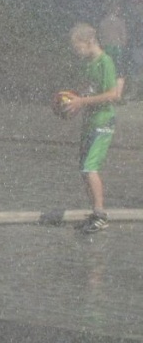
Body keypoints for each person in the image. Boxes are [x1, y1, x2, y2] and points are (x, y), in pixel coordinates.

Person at [65, 23, 118, 234]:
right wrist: (72, 102)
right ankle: (94, 213)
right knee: (83, 168)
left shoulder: (105, 62)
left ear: (89, 41)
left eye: (78, 47)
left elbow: (113, 94)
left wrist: (82, 102)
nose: (76, 51)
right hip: (90, 122)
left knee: (90, 167)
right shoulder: (88, 63)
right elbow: (87, 92)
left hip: (103, 122)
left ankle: (100, 215)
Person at [98, 0, 128, 102]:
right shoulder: (120, 22)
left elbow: (101, 36)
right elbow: (124, 36)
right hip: (117, 48)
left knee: (108, 71)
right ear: (115, 9)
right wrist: (122, 44)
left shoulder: (103, 22)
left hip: (106, 48)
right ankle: (118, 95)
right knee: (119, 72)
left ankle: (108, 94)